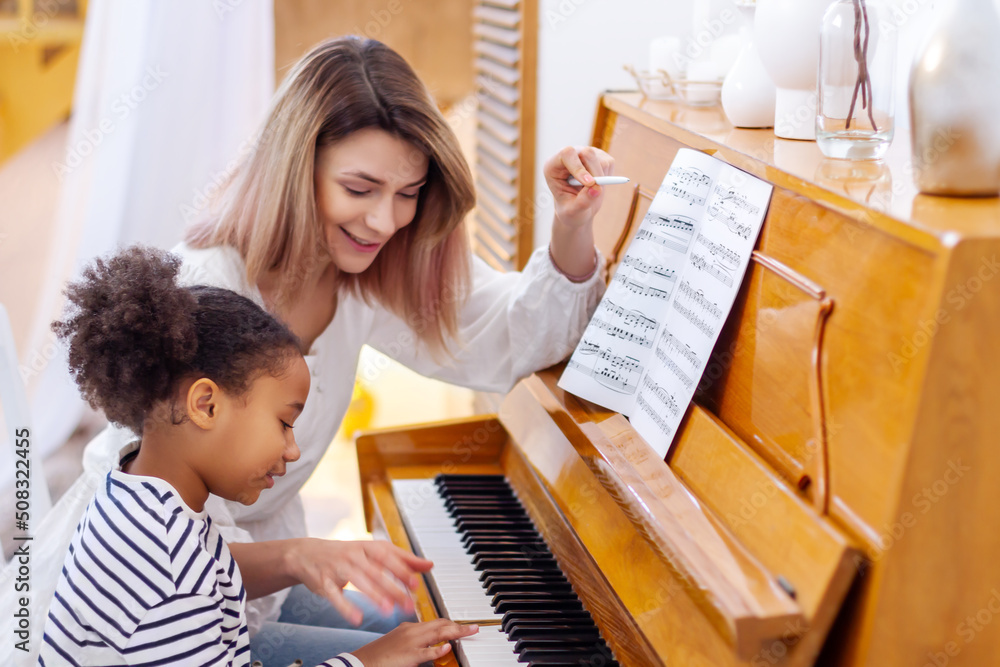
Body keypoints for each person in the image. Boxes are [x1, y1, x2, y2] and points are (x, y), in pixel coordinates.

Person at [16, 35, 613, 666]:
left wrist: (572, 225)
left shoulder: (369, 272)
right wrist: (308, 562)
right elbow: (159, 550)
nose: (385, 222)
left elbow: (516, 335)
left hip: (244, 586)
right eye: (360, 189)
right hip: (176, 615)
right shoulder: (206, 294)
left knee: (442, 627)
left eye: (408, 193)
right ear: (295, 171)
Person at [37, 245, 477, 667]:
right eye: (284, 423)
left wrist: (301, 557)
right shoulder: (171, 578)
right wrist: (366, 661)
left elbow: (213, 573)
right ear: (205, 405)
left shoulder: (139, 492)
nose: (293, 449)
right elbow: (192, 587)